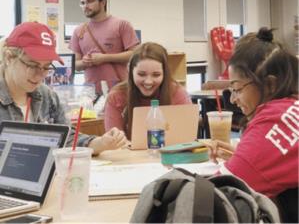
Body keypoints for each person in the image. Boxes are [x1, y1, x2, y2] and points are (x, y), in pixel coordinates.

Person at [0, 21, 127, 156]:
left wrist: (100, 143)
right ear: (9, 57)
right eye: (32, 65)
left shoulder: (46, 95)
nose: (40, 74)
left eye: (47, 66)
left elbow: (66, 137)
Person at [207, 28, 298, 200]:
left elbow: (214, 195)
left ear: (270, 85)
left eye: (237, 89)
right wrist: (241, 156)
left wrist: (247, 159)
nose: (233, 99)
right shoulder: (291, 106)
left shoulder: (270, 126)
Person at [104, 42, 192, 139]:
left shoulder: (177, 93)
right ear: (130, 70)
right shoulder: (116, 96)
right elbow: (114, 141)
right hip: (128, 153)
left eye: (156, 75)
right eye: (141, 74)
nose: (148, 82)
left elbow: (187, 136)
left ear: (164, 73)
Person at [69, 0, 140, 94]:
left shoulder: (121, 25)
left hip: (120, 90)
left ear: (103, 2)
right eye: (82, 3)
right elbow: (75, 65)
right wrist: (85, 62)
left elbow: (135, 55)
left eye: (90, 1)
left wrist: (104, 58)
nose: (85, 6)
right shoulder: (79, 31)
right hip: (91, 92)